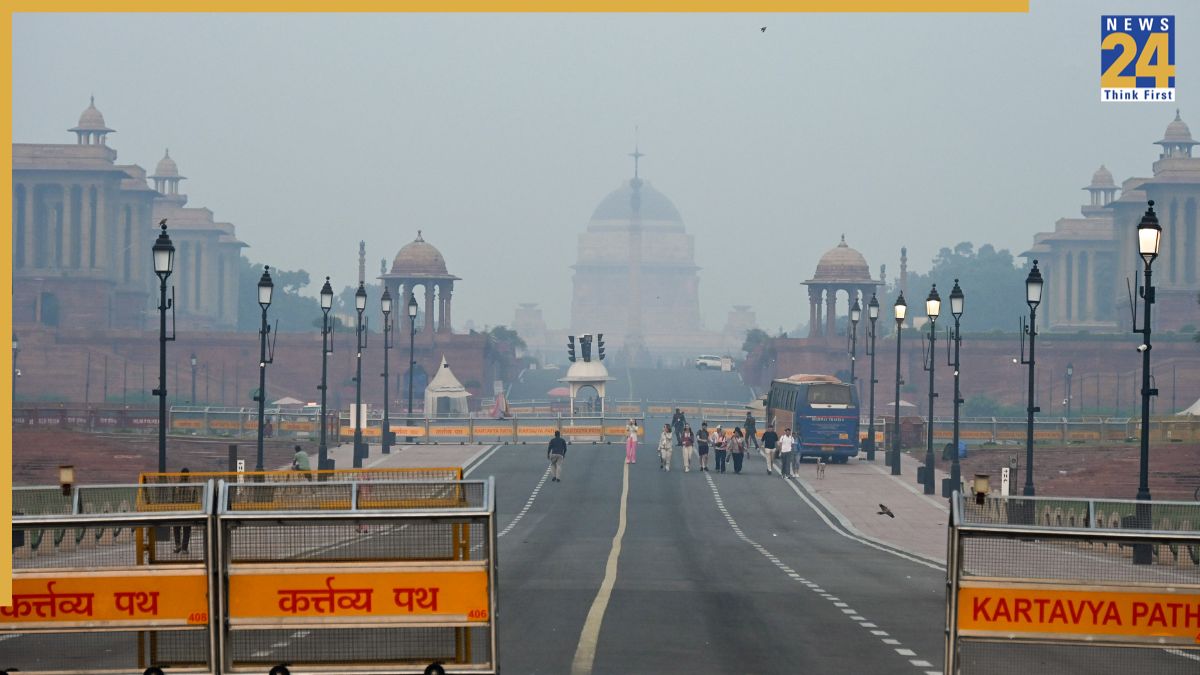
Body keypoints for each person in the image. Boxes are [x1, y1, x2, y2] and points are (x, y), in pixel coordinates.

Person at [172, 468, 195, 554]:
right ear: (188, 474)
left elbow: (172, 497)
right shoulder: (192, 486)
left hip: (177, 509)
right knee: (187, 529)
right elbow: (194, 498)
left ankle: (178, 545)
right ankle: (184, 548)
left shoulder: (176, 485)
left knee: (176, 527)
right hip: (188, 510)